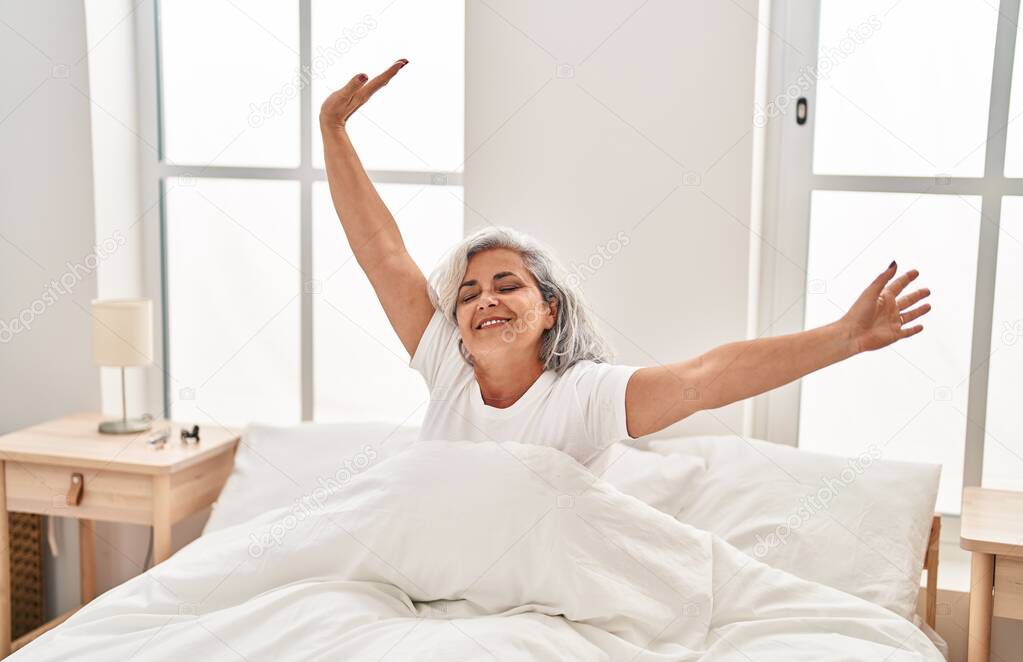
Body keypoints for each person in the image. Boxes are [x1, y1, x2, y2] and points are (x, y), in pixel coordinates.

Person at [319, 59, 932, 466]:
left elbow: (708, 378)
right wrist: (334, 130)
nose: (486, 300)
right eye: (469, 292)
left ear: (550, 307)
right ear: (455, 322)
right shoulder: (446, 367)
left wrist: (846, 336)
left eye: (508, 285)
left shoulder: (584, 395)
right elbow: (382, 254)